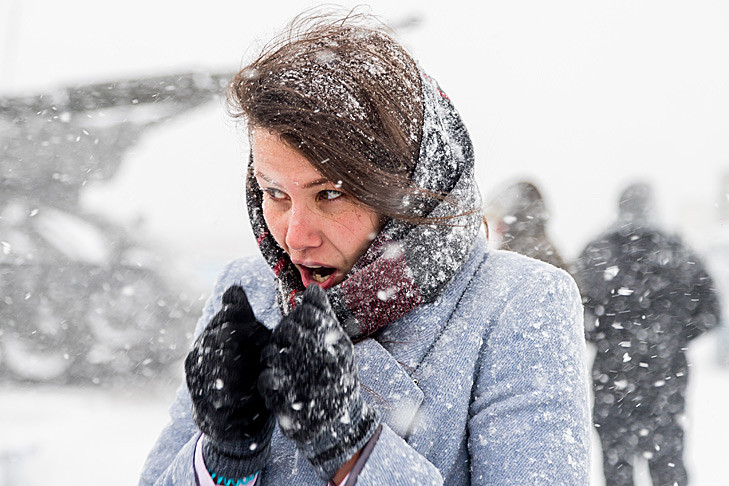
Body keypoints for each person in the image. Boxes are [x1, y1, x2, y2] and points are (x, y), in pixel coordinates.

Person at [139, 9, 591, 486]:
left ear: (406, 190)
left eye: (329, 194)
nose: (294, 236)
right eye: (275, 194)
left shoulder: (518, 305)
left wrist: (353, 447)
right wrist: (223, 461)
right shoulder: (246, 292)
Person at [575, 183, 720, 486]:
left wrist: (609, 338)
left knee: (617, 469)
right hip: (664, 376)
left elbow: (577, 315)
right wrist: (673, 336)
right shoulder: (678, 251)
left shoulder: (597, 253)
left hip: (613, 377)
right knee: (667, 464)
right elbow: (711, 312)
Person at [486, 180, 570, 271]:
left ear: (515, 218)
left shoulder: (522, 254)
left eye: (501, 220)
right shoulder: (543, 249)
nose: (497, 227)